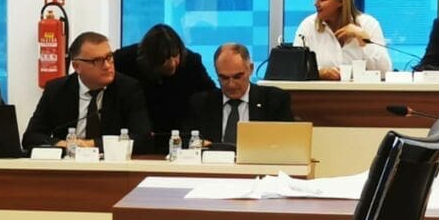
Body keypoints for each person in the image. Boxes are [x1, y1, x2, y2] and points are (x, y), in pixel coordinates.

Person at [22, 31, 153, 153]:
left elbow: (143, 139)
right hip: (68, 163)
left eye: (109, 57)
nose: (107, 66)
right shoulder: (57, 90)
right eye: (98, 60)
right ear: (77, 66)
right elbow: (31, 137)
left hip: (111, 163)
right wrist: (62, 144)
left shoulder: (128, 88)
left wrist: (91, 144)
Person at [113, 24, 215, 144]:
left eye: (175, 55)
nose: (172, 64)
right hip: (136, 135)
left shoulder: (191, 62)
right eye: (164, 58)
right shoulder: (124, 60)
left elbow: (210, 95)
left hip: (180, 135)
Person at [184, 43, 294, 144]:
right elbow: (185, 140)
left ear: (250, 69)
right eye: (224, 78)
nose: (231, 85)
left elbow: (288, 142)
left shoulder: (274, 100)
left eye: (237, 77)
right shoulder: (200, 103)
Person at [293, 0, 391, 79]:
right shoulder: (308, 26)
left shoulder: (369, 24)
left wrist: (362, 37)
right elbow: (294, 68)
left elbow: (384, 71)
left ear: (341, 1)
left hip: (360, 89)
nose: (315, 3)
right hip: (321, 89)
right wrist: (319, 73)